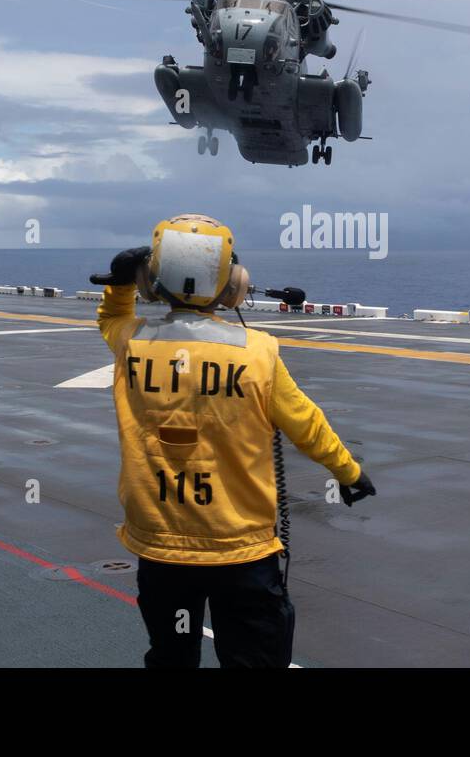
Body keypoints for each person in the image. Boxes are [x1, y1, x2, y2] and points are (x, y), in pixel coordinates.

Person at [95, 213, 376, 668]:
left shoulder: (132, 343)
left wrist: (122, 282)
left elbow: (111, 315)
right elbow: (306, 423)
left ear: (151, 280)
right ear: (233, 285)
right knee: (253, 660)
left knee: (170, 656)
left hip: (160, 546)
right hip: (240, 549)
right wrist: (348, 471)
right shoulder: (258, 352)